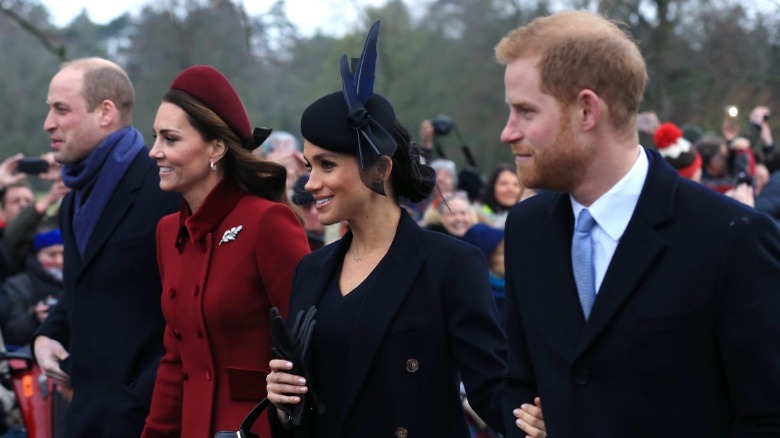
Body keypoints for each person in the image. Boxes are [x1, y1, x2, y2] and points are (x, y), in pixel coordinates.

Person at [495, 10, 780, 437]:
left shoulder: (731, 237)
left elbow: (767, 416)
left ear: (587, 110)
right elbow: (517, 381)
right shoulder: (526, 228)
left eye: (525, 111)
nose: (507, 132)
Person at [266, 21, 506, 437]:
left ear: (380, 169)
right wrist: (283, 403)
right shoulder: (312, 270)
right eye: (308, 167)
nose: (310, 183)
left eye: (326, 165)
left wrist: (543, 419)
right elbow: (307, 407)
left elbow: (493, 389)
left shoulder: (450, 264)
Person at [140, 65, 310, 437]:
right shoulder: (168, 232)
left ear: (215, 147)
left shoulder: (268, 221)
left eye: (170, 139)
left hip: (259, 429)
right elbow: (175, 359)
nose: (154, 152)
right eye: (155, 138)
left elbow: (309, 342)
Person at [33, 57, 180, 437]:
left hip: (147, 419)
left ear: (106, 112)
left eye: (61, 109)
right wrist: (49, 334)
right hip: (85, 412)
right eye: (49, 109)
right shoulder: (72, 201)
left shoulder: (163, 188)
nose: (48, 123)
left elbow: (188, 305)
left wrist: (144, 392)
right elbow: (83, 286)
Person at [0, 228, 63, 346]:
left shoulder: (79, 283)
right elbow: (11, 333)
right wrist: (34, 318)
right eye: (52, 254)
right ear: (37, 255)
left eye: (64, 254)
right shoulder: (18, 285)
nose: (59, 261)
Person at [476, 163, 525, 228]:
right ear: (492, 187)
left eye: (516, 184)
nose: (511, 189)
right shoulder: (476, 213)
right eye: (504, 184)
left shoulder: (526, 214)